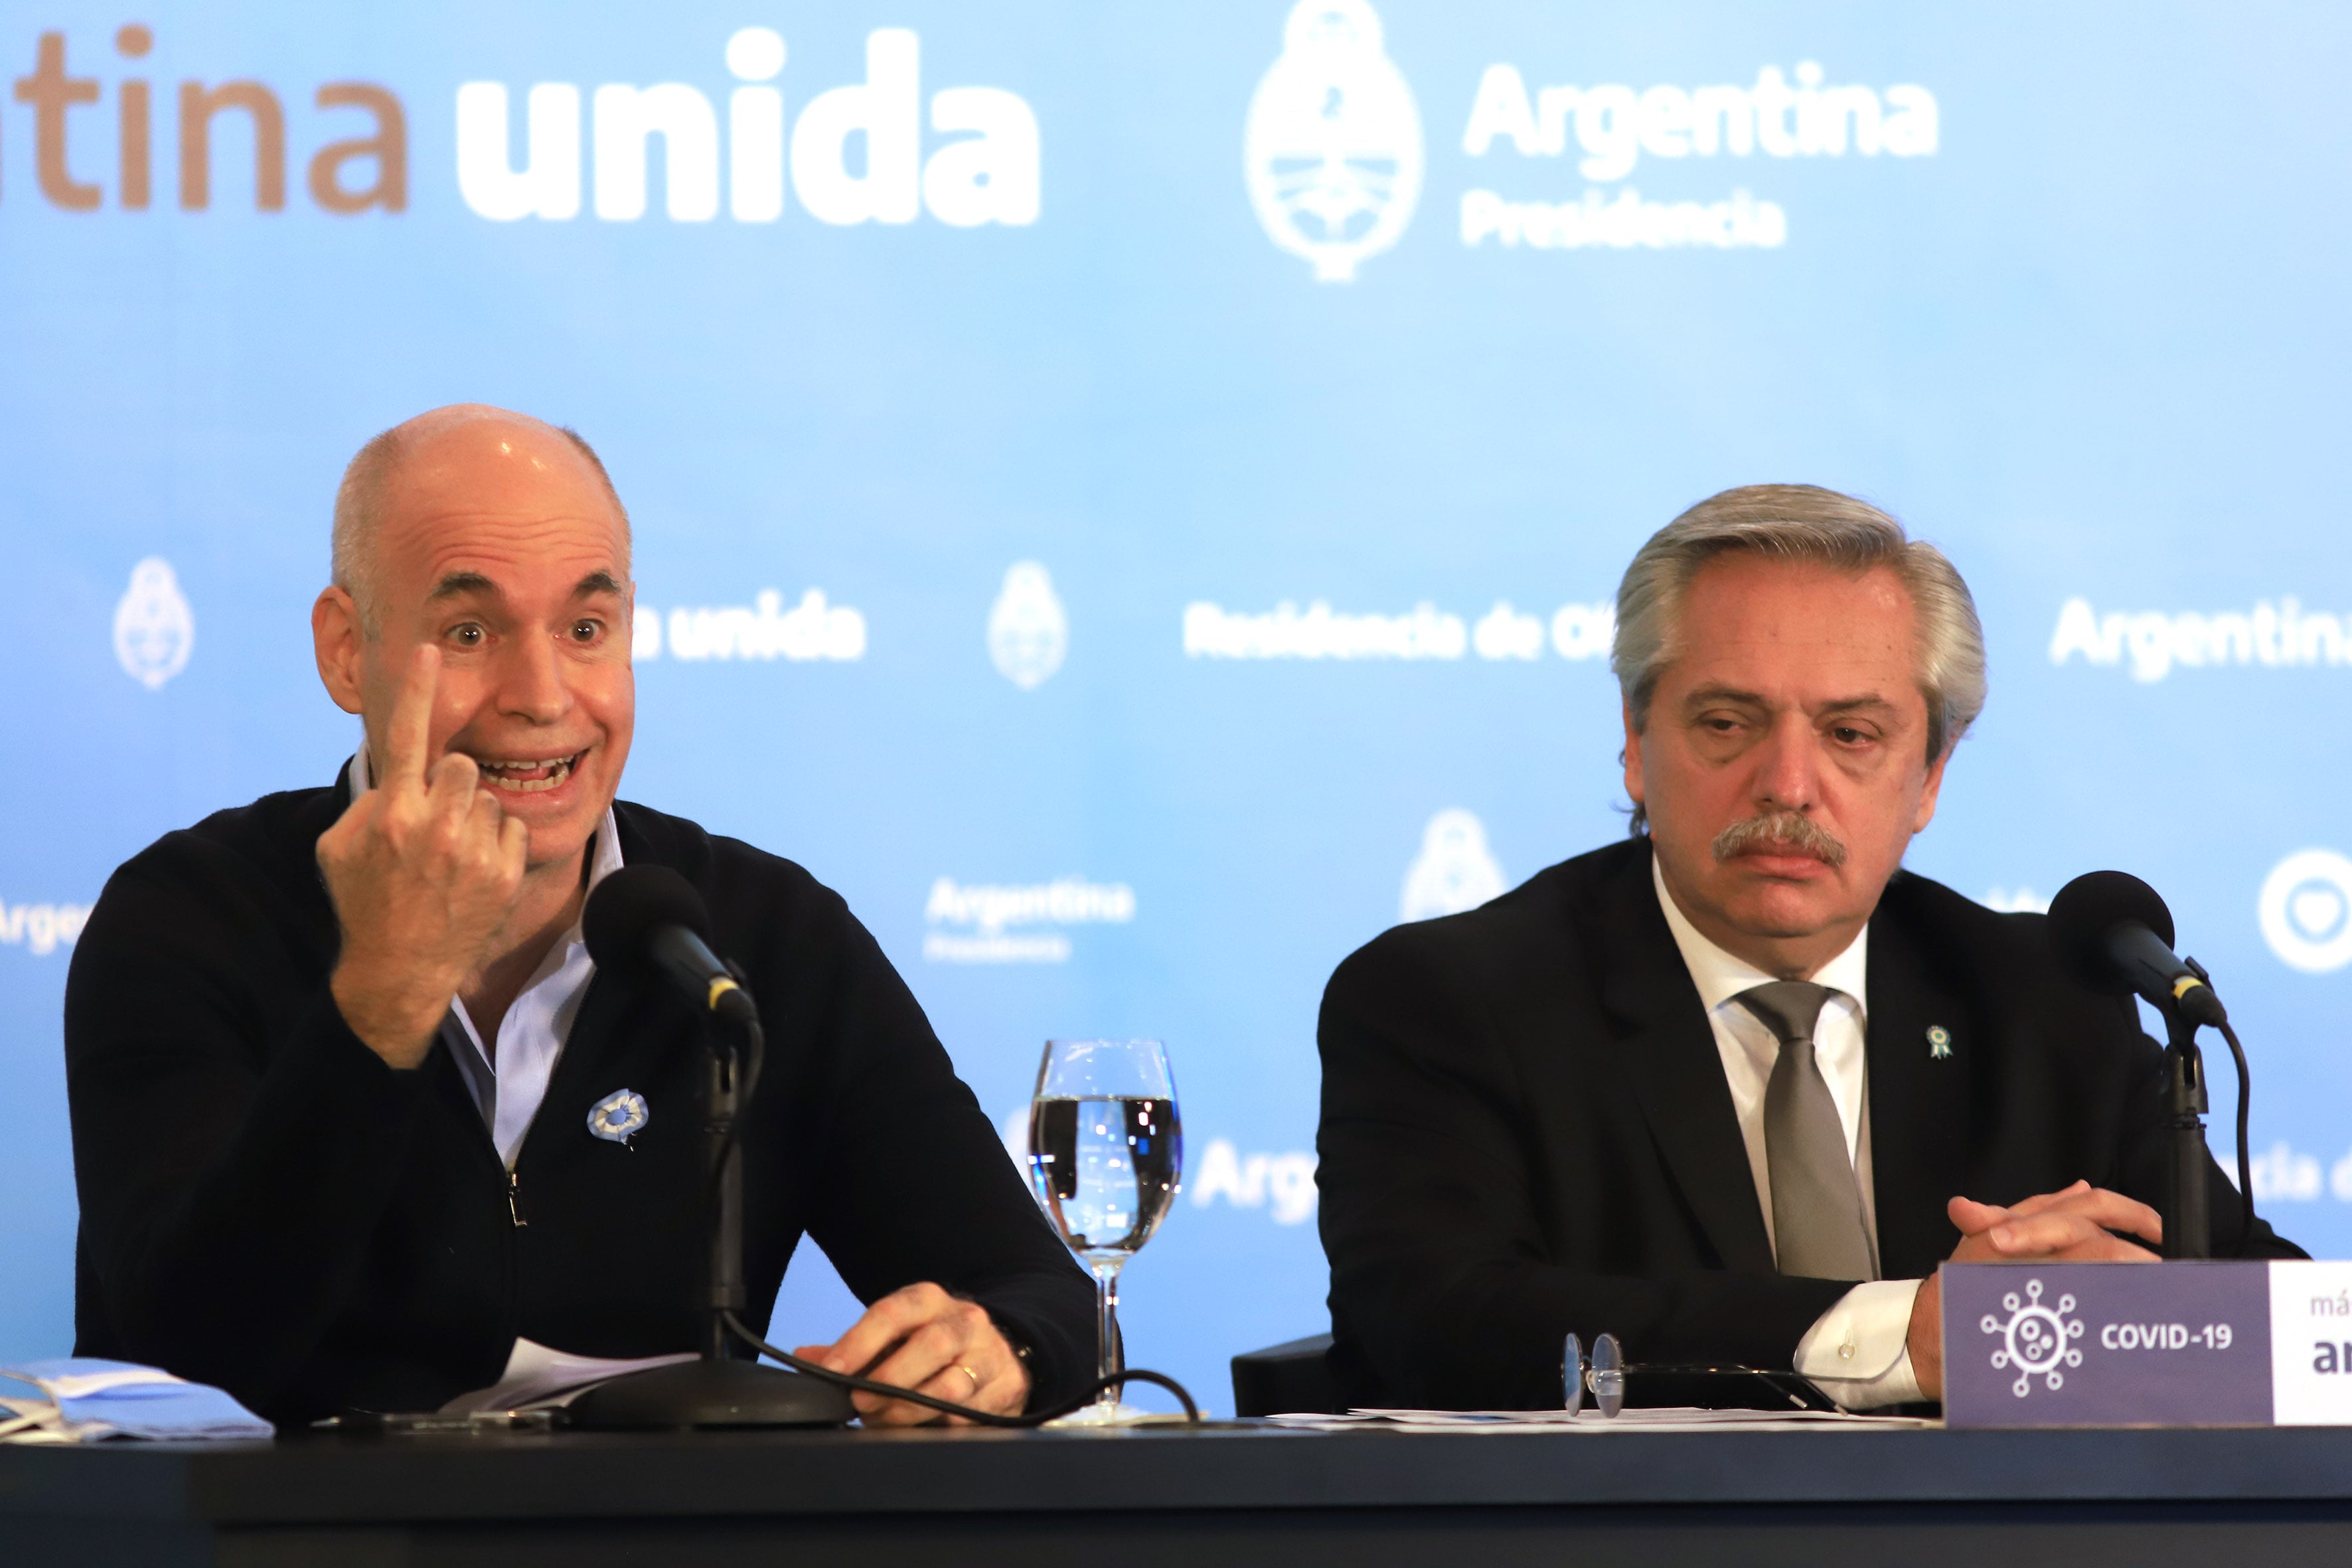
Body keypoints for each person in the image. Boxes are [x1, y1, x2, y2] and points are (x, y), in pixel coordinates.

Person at [64, 405, 1093, 1426]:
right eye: (470, 632)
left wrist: (1001, 1354)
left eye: (585, 630)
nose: (543, 694)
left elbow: (1050, 1304)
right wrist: (385, 992)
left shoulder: (759, 937)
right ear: (347, 650)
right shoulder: (189, 917)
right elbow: (184, 1360)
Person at [1316, 484, 2302, 1412]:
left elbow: (2281, 1318)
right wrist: (1905, 1334)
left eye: (1851, 732)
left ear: (1929, 777)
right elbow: (1437, 1318)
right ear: (1634, 740)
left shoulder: (2047, 1000)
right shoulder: (1447, 1001)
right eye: (1727, 722)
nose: (1788, 783)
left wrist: (2160, 1313)